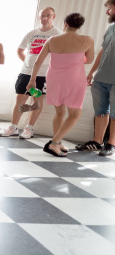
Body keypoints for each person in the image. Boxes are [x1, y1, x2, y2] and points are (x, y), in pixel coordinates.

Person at [28, 13, 94, 157]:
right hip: (74, 80)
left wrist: (32, 80)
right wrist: (75, 58)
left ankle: (57, 143)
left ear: (65, 23)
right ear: (79, 26)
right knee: (75, 113)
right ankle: (54, 142)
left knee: (59, 112)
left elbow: (38, 61)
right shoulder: (87, 40)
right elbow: (89, 60)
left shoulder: (52, 40)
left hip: (54, 79)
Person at [0, 7, 61, 139]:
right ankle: (14, 127)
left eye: (48, 16)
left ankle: (29, 128)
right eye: (42, 16)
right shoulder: (32, 33)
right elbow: (20, 50)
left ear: (53, 17)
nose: (44, 18)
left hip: (42, 75)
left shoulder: (57, 34)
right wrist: (28, 64)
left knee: (36, 99)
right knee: (20, 98)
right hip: (26, 72)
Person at [76, 0, 115, 156]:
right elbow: (102, 51)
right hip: (100, 79)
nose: (107, 11)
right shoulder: (110, 28)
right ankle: (97, 141)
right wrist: (91, 72)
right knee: (101, 112)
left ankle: (111, 144)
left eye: (110, 8)